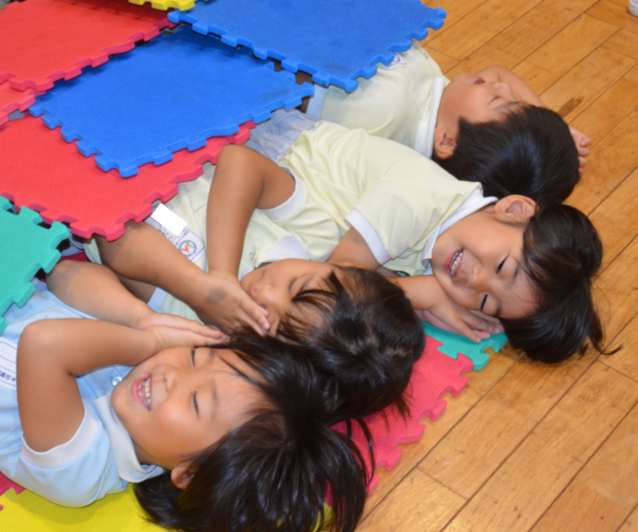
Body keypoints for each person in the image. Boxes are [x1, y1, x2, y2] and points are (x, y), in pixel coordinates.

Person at [0, 277, 369, 532]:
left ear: (190, 473)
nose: (174, 374)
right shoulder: (138, 366)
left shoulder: (84, 472)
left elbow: (45, 345)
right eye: (199, 358)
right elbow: (64, 273)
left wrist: (148, 340)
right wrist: (139, 317)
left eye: (197, 402)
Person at [200, 124, 605, 363]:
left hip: (291, 215)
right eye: (500, 267)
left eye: (484, 302)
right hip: (261, 150)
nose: (473, 279)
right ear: (514, 209)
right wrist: (421, 293)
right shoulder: (418, 199)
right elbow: (336, 288)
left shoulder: (452, 232)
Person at [81, 149, 426, 419]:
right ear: (341, 267)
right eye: (295, 283)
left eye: (270, 323)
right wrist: (221, 272)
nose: (266, 293)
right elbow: (239, 160)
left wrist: (197, 289)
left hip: (89, 184)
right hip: (156, 143)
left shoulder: (198, 327)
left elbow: (114, 236)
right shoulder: (316, 235)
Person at [252, 42, 590, 207]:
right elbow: (499, 74)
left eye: (500, 100)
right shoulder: (442, 107)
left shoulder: (386, 106)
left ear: (447, 141)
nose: (502, 85)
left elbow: (283, 78)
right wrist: (555, 131)